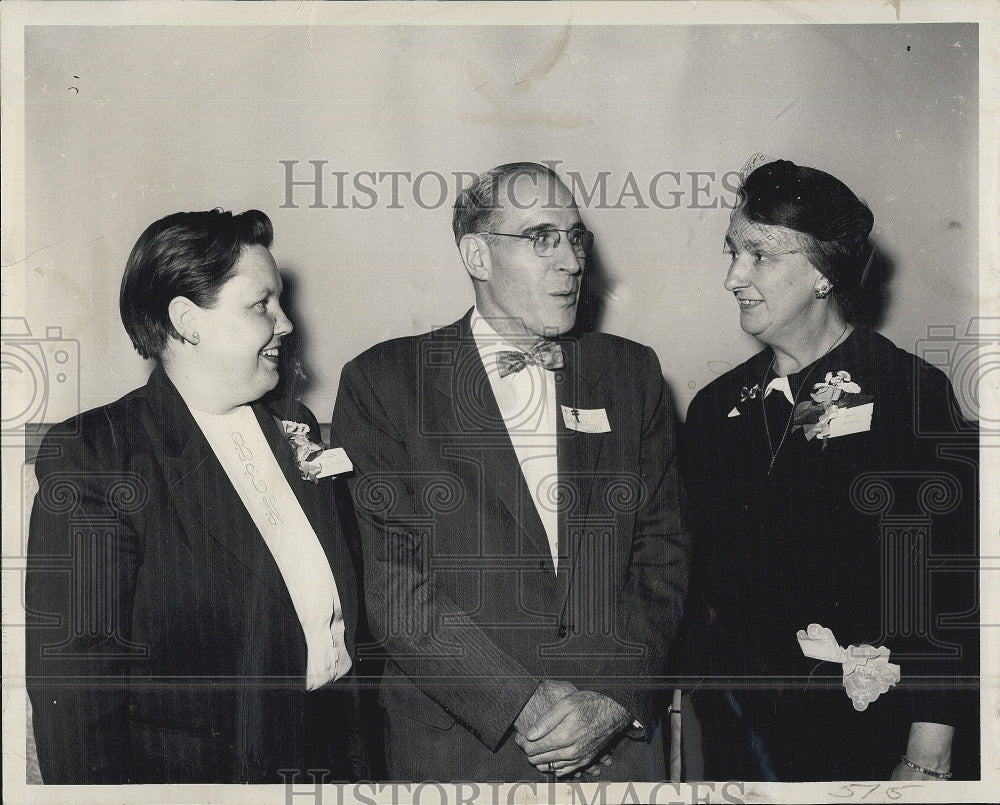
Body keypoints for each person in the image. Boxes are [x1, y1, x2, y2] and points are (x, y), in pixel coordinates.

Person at [331, 162, 690, 781]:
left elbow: (663, 555)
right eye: (540, 237)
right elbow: (396, 589)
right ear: (476, 254)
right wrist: (523, 703)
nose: (572, 261)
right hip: (465, 750)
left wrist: (612, 699)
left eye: (576, 237)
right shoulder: (386, 384)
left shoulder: (630, 374)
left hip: (619, 747)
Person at [25, 209, 369, 783]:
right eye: (262, 305)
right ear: (187, 320)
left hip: (333, 762)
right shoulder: (98, 452)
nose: (285, 324)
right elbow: (77, 685)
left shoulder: (295, 422)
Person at [680, 159, 979, 781]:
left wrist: (927, 752)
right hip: (745, 742)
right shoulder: (715, 409)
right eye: (732, 252)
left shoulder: (906, 394)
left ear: (823, 274)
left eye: (759, 255)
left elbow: (945, 593)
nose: (734, 276)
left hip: (872, 734)